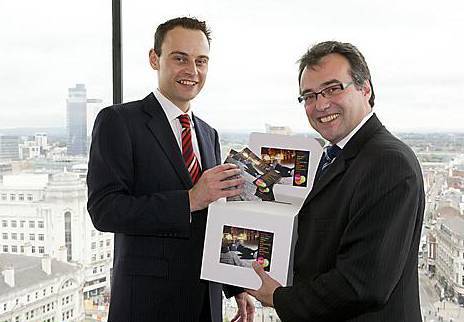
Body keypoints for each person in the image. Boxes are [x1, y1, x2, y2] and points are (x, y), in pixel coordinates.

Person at [87, 17, 254, 322]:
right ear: (155, 59)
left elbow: (212, 217)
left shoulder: (208, 133)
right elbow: (104, 210)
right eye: (180, 58)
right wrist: (189, 199)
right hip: (148, 304)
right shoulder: (119, 121)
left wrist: (235, 284)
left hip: (206, 302)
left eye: (201, 61)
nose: (192, 71)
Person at [247, 41, 425, 322]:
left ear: (365, 89)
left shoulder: (388, 162)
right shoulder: (331, 156)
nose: (320, 104)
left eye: (332, 89)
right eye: (309, 96)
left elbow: (364, 283)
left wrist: (281, 298)